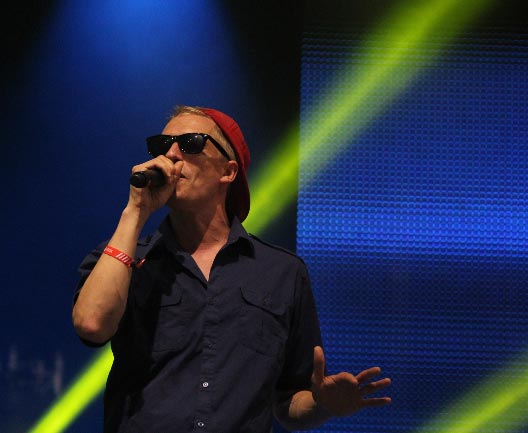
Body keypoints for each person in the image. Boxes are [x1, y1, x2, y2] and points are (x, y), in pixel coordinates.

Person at [72, 105, 391, 432]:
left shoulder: (282, 272)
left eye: (191, 143)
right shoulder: (124, 258)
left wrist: (322, 404)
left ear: (228, 171)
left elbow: (289, 401)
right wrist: (136, 211)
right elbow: (92, 324)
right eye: (161, 145)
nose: (171, 154)